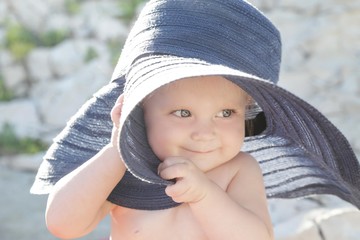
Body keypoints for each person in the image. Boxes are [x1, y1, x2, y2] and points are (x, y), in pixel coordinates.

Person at [31, 0, 360, 239]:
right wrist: (118, 149)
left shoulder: (237, 170)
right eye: (183, 113)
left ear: (247, 114)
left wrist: (205, 196)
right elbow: (64, 224)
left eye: (226, 113)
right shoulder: (127, 168)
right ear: (139, 110)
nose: (205, 132)